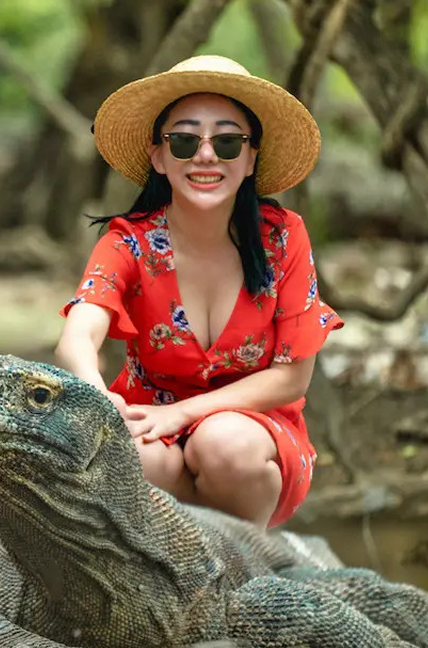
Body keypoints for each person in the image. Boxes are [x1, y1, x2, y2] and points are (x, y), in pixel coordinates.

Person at [55, 55, 342, 529]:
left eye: (228, 142)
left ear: (251, 158)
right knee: (129, 458)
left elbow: (292, 378)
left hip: (254, 442)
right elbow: (77, 337)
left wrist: (183, 415)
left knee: (223, 444)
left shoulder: (284, 238)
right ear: (159, 156)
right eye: (185, 140)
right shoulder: (128, 243)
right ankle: (183, 574)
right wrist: (98, 396)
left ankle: (239, 575)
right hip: (149, 433)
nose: (205, 156)